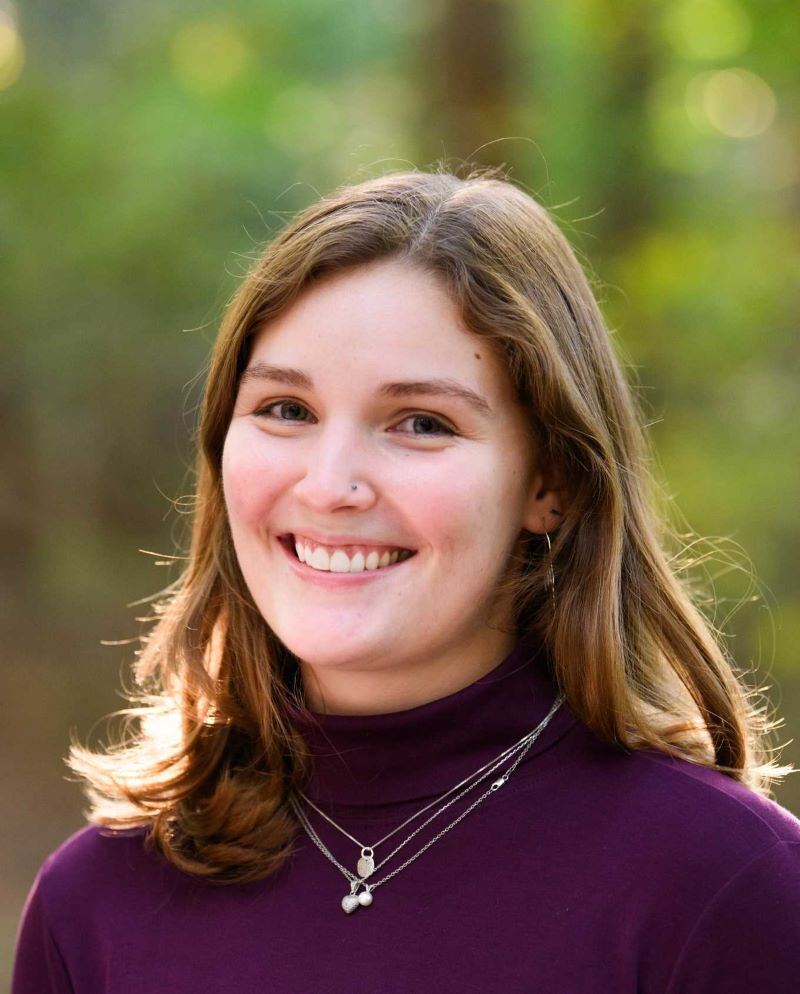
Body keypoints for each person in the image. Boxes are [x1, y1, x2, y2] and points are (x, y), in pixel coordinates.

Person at [12, 170, 800, 993]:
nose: (329, 485)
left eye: (421, 423)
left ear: (550, 483)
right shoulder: (97, 904)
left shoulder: (725, 887)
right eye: (286, 409)